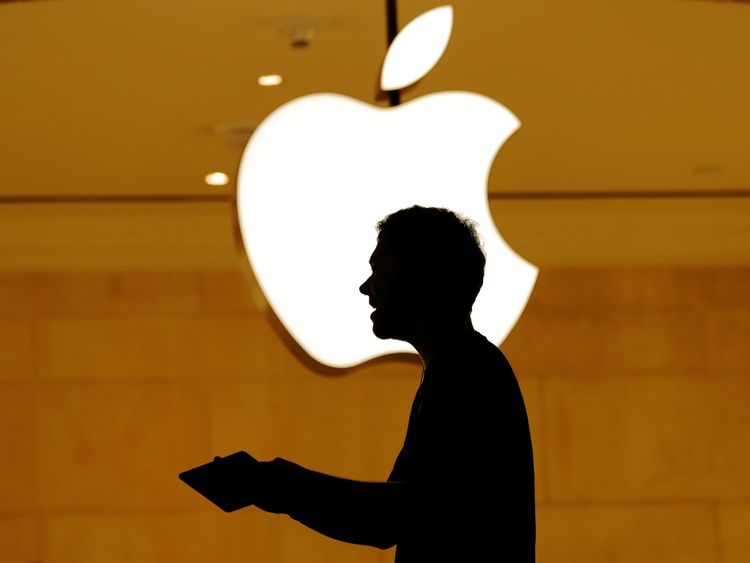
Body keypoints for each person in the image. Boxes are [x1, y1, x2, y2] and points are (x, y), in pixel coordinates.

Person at [218, 205, 536, 562]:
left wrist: (277, 483)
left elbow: (391, 517)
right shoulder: (464, 370)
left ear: (420, 274)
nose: (366, 287)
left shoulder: (468, 375)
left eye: (378, 270)